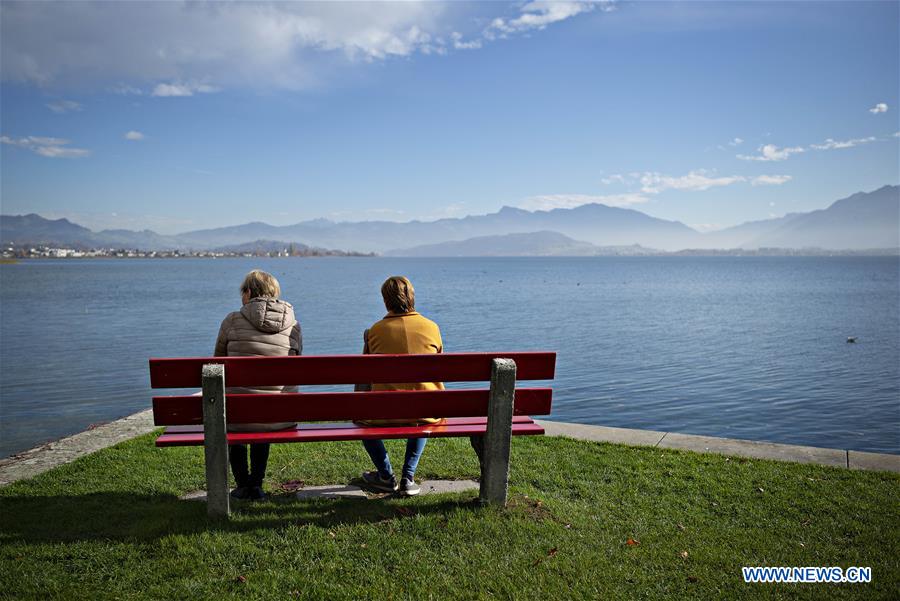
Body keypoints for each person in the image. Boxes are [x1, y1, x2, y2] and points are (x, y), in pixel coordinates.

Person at [214, 269, 302, 500]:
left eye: (242, 292)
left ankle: (244, 484)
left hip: (238, 414)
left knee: (237, 412)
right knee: (264, 410)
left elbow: (216, 363)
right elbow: (297, 365)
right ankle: (256, 484)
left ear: (249, 293)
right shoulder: (293, 324)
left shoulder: (232, 320)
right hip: (279, 415)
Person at [356, 276, 443, 496]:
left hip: (384, 413)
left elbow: (365, 373)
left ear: (386, 301)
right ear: (412, 297)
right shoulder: (432, 328)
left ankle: (385, 475)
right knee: (423, 404)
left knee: (361, 419)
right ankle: (408, 477)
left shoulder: (375, 331)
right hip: (427, 410)